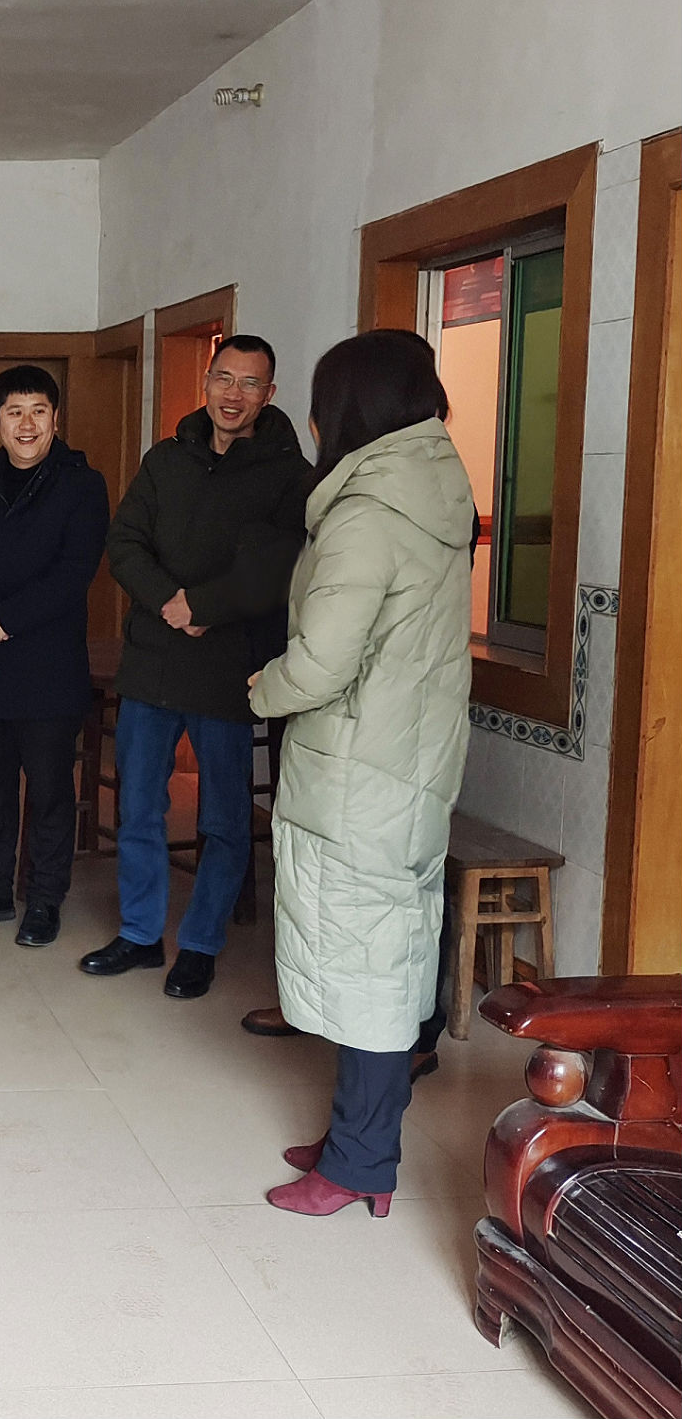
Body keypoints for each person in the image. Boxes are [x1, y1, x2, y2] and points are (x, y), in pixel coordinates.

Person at [251, 329, 475, 1217]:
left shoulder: (367, 512)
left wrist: (264, 687)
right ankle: (354, 1135)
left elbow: (322, 661)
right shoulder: (431, 489)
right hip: (405, 760)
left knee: (373, 966)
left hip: (361, 770)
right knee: (384, 951)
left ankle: (359, 1164)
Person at [82, 335, 310, 999]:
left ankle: (202, 944)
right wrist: (169, 602)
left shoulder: (290, 475)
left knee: (223, 820)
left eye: (250, 383)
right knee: (139, 806)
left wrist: (204, 606)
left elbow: (279, 565)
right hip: (153, 661)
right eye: (224, 378)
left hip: (230, 670)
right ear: (205, 382)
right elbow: (124, 542)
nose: (233, 394)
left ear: (269, 394)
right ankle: (139, 932)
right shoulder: (165, 459)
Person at [0, 365, 109, 948]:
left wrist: (6, 618)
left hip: (48, 666)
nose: (26, 424)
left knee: (51, 788)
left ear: (56, 419)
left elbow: (74, 572)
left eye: (38, 411)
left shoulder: (83, 485)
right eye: (14, 412)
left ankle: (44, 897)